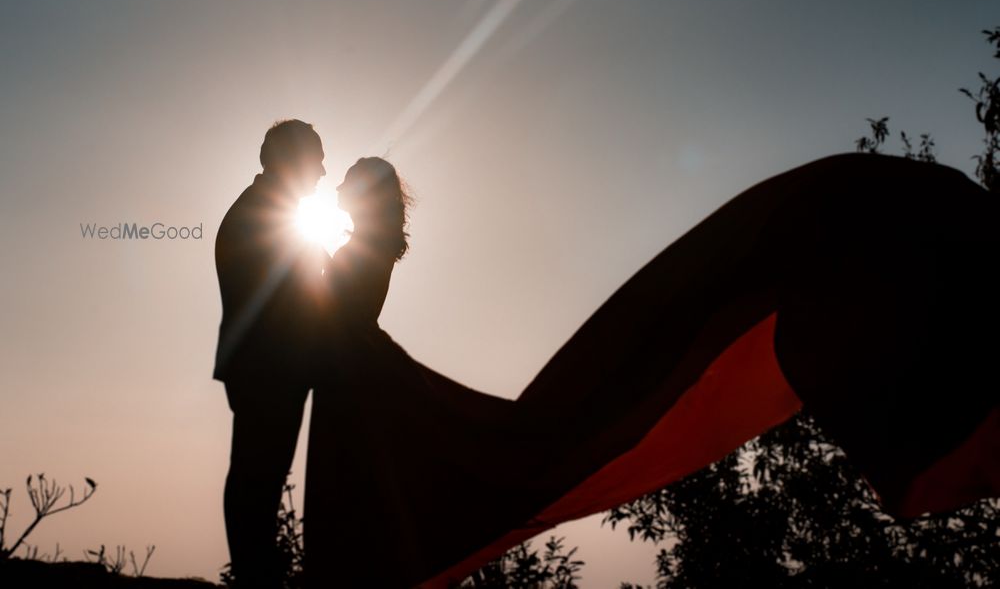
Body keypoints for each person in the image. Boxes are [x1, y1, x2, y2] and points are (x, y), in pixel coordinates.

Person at [304, 152, 998, 588]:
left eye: (346, 185)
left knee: (383, 484)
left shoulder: (360, 252)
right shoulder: (372, 246)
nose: (337, 191)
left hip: (358, 375)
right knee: (384, 484)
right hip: (361, 372)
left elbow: (331, 313)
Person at [214, 119, 330, 588]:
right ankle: (254, 575)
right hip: (270, 365)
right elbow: (295, 300)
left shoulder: (271, 213)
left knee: (259, 474)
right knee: (256, 476)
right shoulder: (262, 217)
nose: (323, 171)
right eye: (316, 159)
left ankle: (255, 572)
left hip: (272, 364)